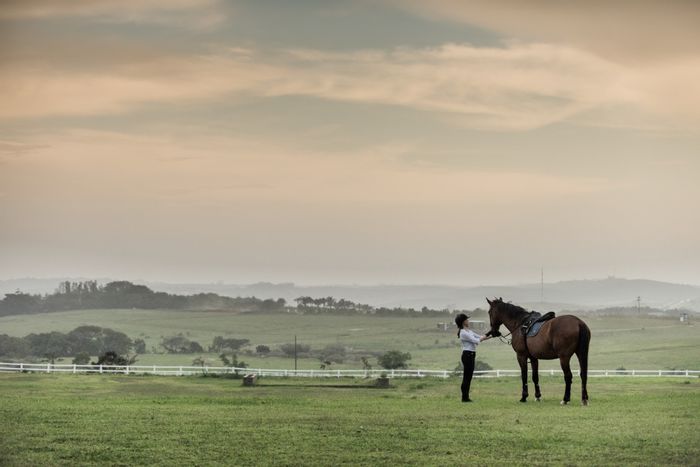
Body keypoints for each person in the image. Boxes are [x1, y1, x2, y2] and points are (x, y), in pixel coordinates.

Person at [455, 313, 490, 402]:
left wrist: (492, 334)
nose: (468, 321)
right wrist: (487, 335)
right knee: (467, 377)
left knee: (468, 377)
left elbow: (480, 337)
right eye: (467, 320)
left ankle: (465, 397)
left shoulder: (469, 331)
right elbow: (476, 341)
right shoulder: (463, 333)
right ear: (463, 322)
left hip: (471, 355)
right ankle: (464, 397)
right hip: (467, 355)